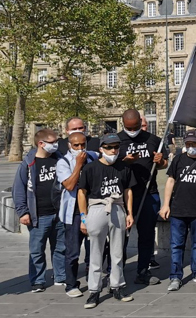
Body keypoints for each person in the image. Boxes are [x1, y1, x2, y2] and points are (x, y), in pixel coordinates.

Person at [78, 134, 135, 309]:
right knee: (96, 252)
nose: (113, 151)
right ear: (101, 149)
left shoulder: (123, 167)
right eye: (109, 147)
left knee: (117, 252)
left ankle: (117, 286)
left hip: (117, 207)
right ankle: (94, 291)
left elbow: (128, 191)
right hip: (97, 207)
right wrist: (83, 217)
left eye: (116, 147)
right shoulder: (90, 168)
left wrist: (129, 213)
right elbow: (82, 193)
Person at [160, 129, 196, 291]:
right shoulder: (178, 159)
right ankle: (175, 276)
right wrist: (166, 205)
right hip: (178, 210)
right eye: (188, 144)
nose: (191, 147)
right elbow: (170, 181)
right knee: (176, 245)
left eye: (194, 144)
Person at [13, 128, 67, 293]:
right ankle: (38, 280)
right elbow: (19, 188)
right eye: (52, 142)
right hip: (39, 215)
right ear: (41, 144)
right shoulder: (28, 164)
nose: (56, 145)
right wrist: (23, 212)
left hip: (58, 213)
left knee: (60, 247)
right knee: (37, 250)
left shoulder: (59, 159)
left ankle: (60, 276)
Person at [118, 109, 166, 285]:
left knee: (146, 235)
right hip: (123, 194)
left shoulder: (152, 140)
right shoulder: (116, 140)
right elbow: (107, 162)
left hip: (148, 192)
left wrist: (160, 161)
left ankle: (143, 271)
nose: (133, 131)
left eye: (136, 127)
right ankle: (115, 272)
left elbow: (164, 163)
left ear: (140, 122)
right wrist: (124, 161)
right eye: (129, 128)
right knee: (119, 236)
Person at [56, 132, 98, 298]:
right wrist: (78, 165)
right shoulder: (63, 162)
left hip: (93, 208)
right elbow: (70, 185)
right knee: (72, 251)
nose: (80, 148)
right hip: (72, 213)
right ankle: (71, 284)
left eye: (83, 145)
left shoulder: (92, 157)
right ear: (69, 145)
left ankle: (93, 281)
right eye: (76, 146)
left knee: (94, 250)